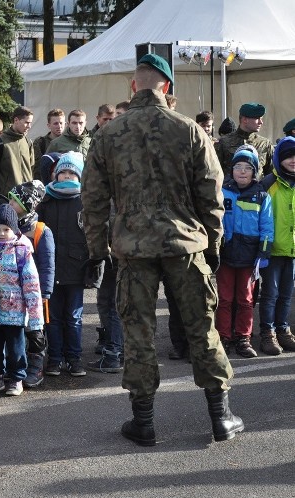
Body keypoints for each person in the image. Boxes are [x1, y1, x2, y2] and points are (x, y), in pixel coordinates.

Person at [82, 53, 243, 446]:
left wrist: (97, 250)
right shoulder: (189, 130)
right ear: (166, 87)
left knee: (138, 333)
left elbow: (93, 200)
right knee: (202, 329)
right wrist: (213, 240)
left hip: (132, 249)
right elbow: (211, 192)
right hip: (184, 245)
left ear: (133, 87)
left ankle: (144, 422)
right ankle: (220, 418)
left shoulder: (107, 134)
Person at [37, 152, 91, 378]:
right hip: (50, 270)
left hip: (76, 269)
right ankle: (55, 358)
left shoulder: (85, 200)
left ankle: (74, 358)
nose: (67, 176)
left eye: (72, 173)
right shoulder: (46, 199)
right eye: (63, 172)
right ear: (55, 175)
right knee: (53, 317)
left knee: (74, 317)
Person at [216, 146, 273, 358]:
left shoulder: (261, 195)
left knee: (246, 300)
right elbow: (215, 220)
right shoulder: (223, 192)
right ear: (231, 170)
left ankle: (243, 338)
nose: (241, 171)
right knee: (224, 299)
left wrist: (263, 254)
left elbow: (267, 227)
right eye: (237, 167)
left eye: (247, 168)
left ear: (255, 171)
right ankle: (223, 337)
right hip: (226, 255)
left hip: (250, 259)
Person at [0, 204, 44, 397]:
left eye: (6, 229)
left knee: (16, 348)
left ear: (15, 230)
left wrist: (36, 320)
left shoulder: (22, 251)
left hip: (15, 312)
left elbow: (31, 286)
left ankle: (16, 377)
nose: (1, 233)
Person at [8, 181, 54, 386]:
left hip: (34, 292)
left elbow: (47, 265)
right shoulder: (6, 228)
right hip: (12, 291)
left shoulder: (41, 231)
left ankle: (36, 365)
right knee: (15, 330)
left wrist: (45, 292)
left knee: (35, 330)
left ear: (28, 206)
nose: (9, 204)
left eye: (14, 201)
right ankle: (17, 365)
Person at [257, 136, 295, 355]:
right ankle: (267, 334)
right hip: (271, 249)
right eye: (288, 155)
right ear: (279, 157)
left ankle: (283, 330)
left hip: (292, 249)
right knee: (270, 294)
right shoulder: (268, 183)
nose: (292, 160)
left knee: (286, 294)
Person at [216, 103, 275, 177]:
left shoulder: (265, 144)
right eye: (257, 118)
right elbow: (216, 171)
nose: (261, 122)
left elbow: (271, 174)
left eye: (261, 118)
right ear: (245, 120)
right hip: (229, 187)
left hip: (258, 187)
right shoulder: (224, 142)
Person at [0, 106, 35, 193]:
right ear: (16, 120)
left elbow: (32, 169)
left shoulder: (28, 142)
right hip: (7, 199)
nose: (29, 126)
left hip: (26, 197)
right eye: (27, 122)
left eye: (30, 123)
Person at [32, 109, 64, 180]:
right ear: (49, 125)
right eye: (55, 123)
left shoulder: (69, 142)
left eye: (61, 123)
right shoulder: (40, 143)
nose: (59, 126)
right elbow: (37, 167)